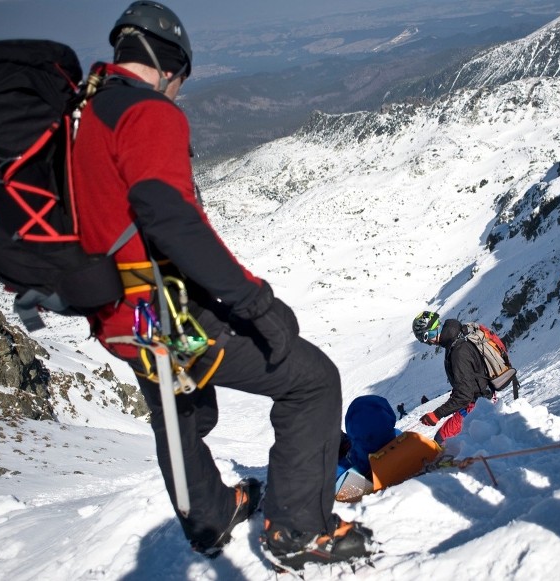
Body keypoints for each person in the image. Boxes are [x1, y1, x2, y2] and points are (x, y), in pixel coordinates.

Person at [71, 2, 372, 569]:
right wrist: (255, 301)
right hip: (167, 316)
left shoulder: (87, 114)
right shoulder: (147, 112)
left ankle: (210, 516)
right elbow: (170, 216)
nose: (180, 92)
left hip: (118, 316)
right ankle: (297, 532)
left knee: (178, 406)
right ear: (169, 64)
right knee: (312, 380)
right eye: (181, 80)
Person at [411, 311, 494, 443]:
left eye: (426, 338)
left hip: (478, 404)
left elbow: (465, 395)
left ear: (431, 332)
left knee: (441, 439)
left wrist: (436, 415)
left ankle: (459, 463)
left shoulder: (458, 352)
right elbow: (467, 380)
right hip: (479, 398)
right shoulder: (456, 339)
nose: (430, 343)